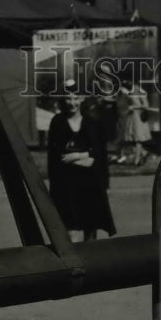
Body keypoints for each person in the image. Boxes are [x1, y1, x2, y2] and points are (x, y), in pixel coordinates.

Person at [47, 88, 116, 241]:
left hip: (90, 183)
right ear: (63, 100)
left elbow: (100, 153)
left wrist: (79, 155)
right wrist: (85, 158)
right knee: (71, 229)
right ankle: (75, 264)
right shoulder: (58, 122)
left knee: (91, 227)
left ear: (82, 99)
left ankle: (91, 263)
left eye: (75, 98)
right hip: (67, 185)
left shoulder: (92, 123)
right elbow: (56, 155)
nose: (72, 103)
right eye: (68, 99)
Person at [115, 77, 152, 166]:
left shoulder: (138, 90)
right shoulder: (124, 90)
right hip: (130, 118)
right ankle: (143, 154)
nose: (125, 82)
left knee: (137, 139)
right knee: (131, 139)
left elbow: (146, 105)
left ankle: (137, 160)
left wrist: (133, 107)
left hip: (138, 117)